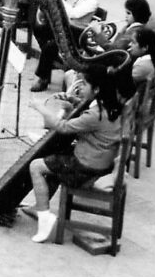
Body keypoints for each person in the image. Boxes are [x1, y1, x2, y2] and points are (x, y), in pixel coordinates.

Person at [27, 64, 123, 242]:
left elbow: (63, 127)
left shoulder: (95, 115)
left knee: (36, 166)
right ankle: (39, 206)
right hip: (101, 162)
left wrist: (40, 107)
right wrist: (72, 104)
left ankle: (44, 217)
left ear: (97, 89)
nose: (80, 87)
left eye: (84, 84)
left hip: (86, 168)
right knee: (56, 158)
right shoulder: (111, 107)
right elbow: (87, 126)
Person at [30, 0, 105, 91]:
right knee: (39, 27)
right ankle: (54, 59)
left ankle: (43, 78)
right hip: (69, 29)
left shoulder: (93, 1)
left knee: (50, 46)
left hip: (77, 33)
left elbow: (73, 14)